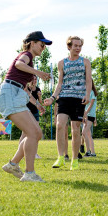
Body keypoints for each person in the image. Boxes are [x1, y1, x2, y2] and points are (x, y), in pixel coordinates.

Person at [0, 31, 52, 182]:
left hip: (15, 95)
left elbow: (23, 89)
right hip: (10, 95)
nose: (43, 47)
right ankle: (29, 173)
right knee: (33, 133)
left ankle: (13, 164)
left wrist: (37, 104)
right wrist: (38, 73)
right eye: (42, 44)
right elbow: (18, 64)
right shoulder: (26, 55)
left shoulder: (30, 61)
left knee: (37, 133)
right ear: (32, 43)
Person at [44, 36, 92, 170]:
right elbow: (59, 84)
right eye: (75, 45)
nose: (78, 48)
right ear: (69, 47)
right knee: (59, 125)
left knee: (75, 130)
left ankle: (74, 160)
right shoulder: (62, 63)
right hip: (64, 97)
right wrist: (53, 98)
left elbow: (88, 81)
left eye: (80, 46)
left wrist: (87, 95)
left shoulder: (85, 62)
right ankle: (60, 157)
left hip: (79, 99)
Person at [22, 75, 45, 159]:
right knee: (25, 133)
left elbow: (40, 102)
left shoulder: (38, 89)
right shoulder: (26, 88)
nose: (35, 81)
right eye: (33, 79)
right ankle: (21, 153)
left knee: (36, 132)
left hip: (35, 113)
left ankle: (35, 153)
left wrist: (39, 96)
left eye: (36, 79)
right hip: (26, 112)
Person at [82, 80, 98, 157]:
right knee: (87, 134)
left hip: (90, 115)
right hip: (86, 115)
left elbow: (91, 105)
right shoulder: (86, 93)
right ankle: (89, 152)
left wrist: (86, 113)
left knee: (84, 133)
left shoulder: (92, 93)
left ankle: (91, 152)